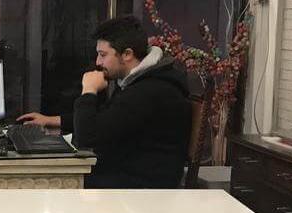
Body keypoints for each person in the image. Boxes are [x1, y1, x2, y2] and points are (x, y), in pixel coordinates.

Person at [18, 16, 192, 189]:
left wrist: (89, 90)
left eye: (103, 55)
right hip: (128, 172)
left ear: (127, 54)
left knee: (46, 180)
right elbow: (106, 117)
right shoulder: (141, 80)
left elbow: (87, 138)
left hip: (142, 186)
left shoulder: (149, 91)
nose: (98, 62)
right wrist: (51, 120)